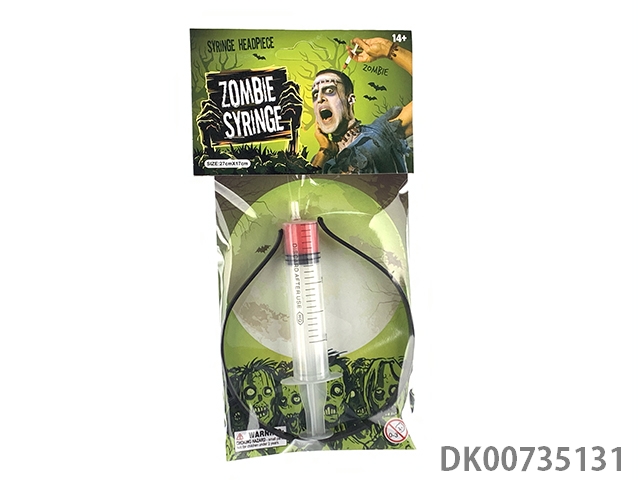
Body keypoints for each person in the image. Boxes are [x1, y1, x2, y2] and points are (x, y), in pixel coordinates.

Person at [311, 37, 413, 174]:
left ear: (350, 99)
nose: (319, 99)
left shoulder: (381, 132)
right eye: (315, 94)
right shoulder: (320, 160)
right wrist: (325, 151)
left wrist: (387, 49)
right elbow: (304, 187)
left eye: (329, 90)